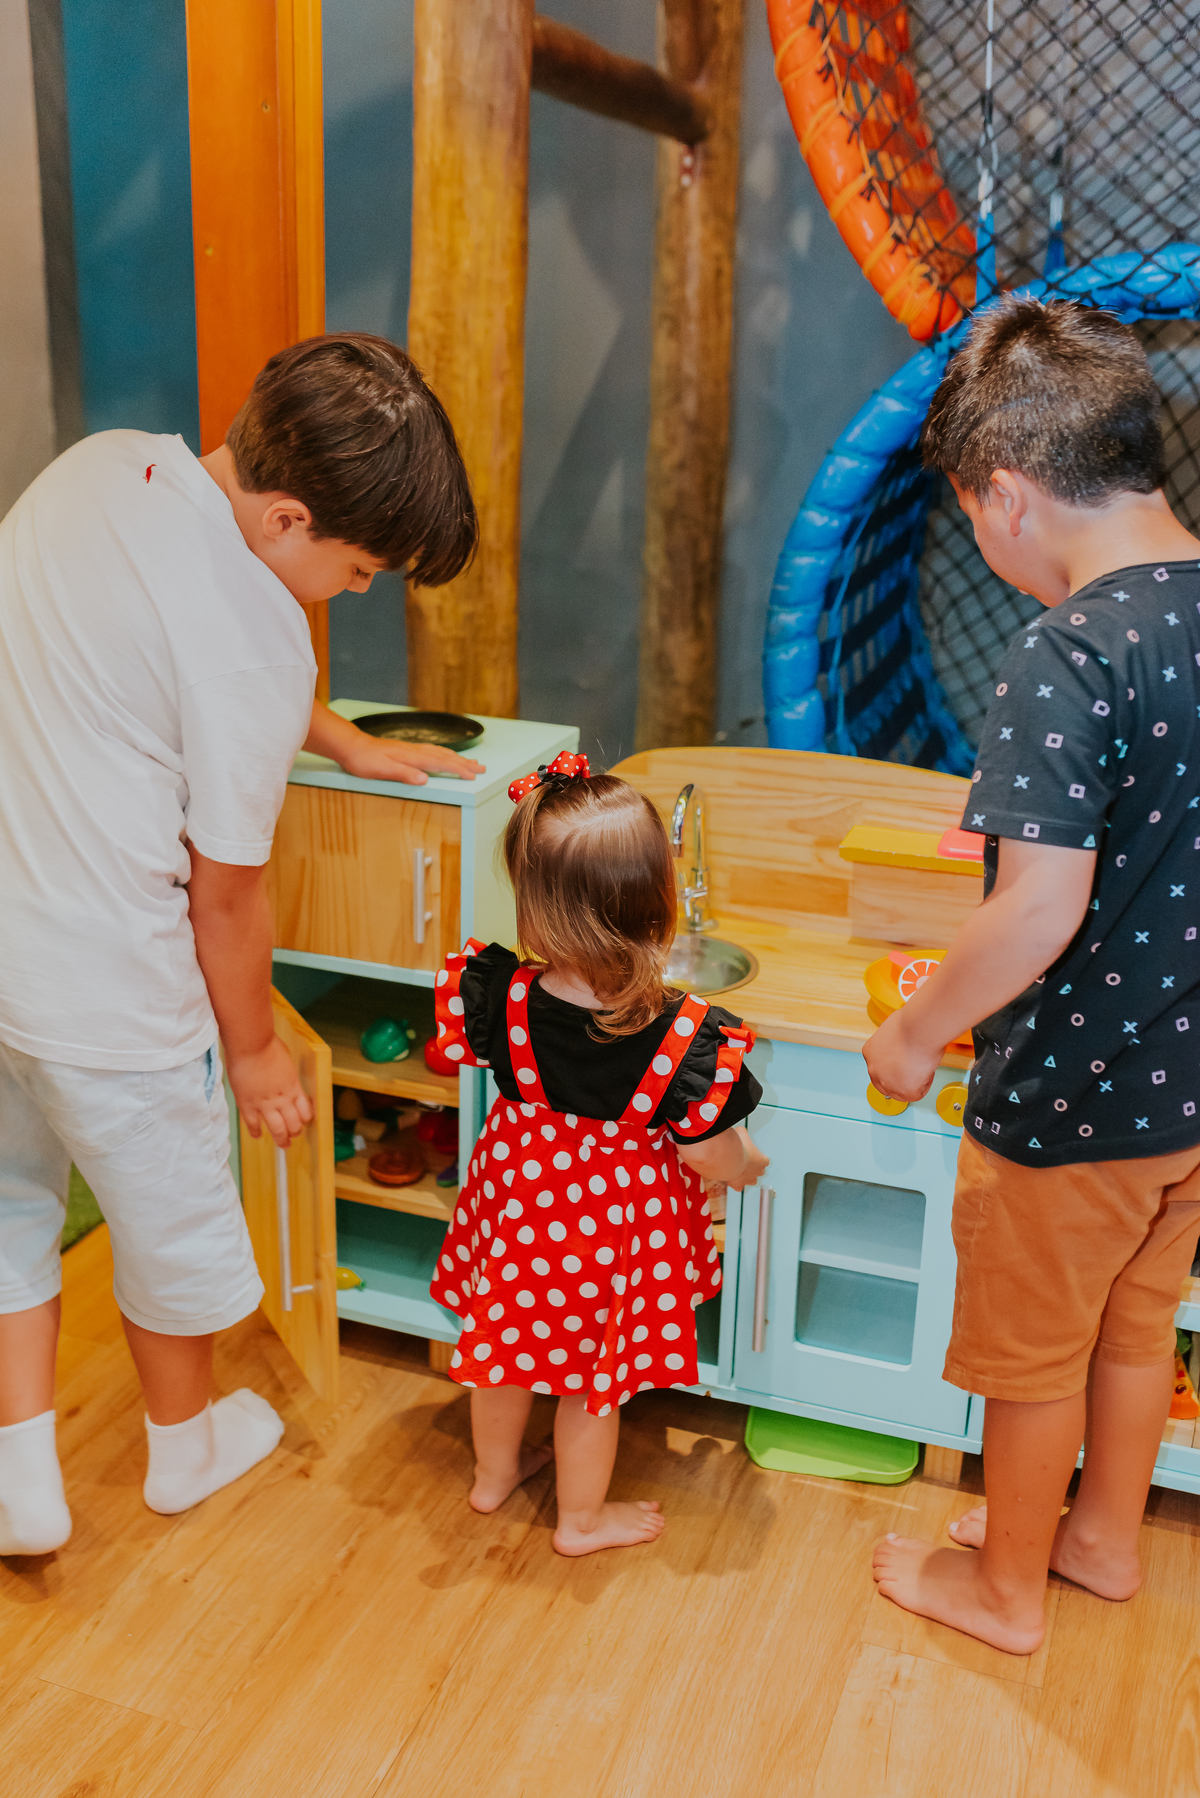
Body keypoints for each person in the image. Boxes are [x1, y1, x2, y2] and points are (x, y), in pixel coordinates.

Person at [0, 332, 479, 1553]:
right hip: (111, 988)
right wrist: (257, 1051)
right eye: (357, 568)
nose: (354, 593)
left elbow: (167, 653)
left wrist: (340, 737)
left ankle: (19, 1474)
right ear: (286, 517)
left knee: (8, 1202)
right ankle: (185, 1448)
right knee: (171, 1225)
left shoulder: (98, 469)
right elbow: (227, 896)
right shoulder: (263, 635)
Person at [865, 296, 1200, 1654]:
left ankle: (1003, 1590)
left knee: (1031, 1357)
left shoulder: (1071, 650)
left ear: (1006, 496)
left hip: (1072, 1103)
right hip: (1190, 1101)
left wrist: (913, 1031)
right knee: (1136, 1332)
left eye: (973, 521)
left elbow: (1036, 909)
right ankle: (1099, 1542)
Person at [429, 755, 769, 1554]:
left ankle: (492, 1477)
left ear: (534, 904)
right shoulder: (681, 1034)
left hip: (519, 1221)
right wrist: (746, 1168)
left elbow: (452, 1058)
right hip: (611, 1240)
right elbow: (711, 1154)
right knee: (591, 1382)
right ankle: (581, 1522)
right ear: (655, 901)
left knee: (505, 1353)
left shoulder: (499, 993)